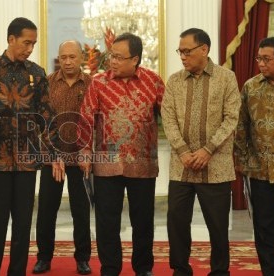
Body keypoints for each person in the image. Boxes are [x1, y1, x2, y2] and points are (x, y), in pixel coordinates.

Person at [0, 17, 62, 276]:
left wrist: (54, 154)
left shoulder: (37, 73)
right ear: (11, 39)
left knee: (22, 225)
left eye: (33, 44)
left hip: (27, 161)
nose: (29, 49)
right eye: (25, 43)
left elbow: (46, 115)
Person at [77, 32, 165, 276]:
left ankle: (143, 268)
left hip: (142, 163)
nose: (112, 61)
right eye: (111, 56)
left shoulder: (154, 82)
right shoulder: (99, 82)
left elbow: (170, 117)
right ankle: (110, 268)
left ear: (134, 59)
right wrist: (85, 151)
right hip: (107, 163)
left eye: (118, 57)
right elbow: (85, 119)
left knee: (143, 220)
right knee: (107, 221)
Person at [161, 28, 240, 276]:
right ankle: (181, 269)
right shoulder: (174, 80)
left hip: (216, 166)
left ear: (203, 50)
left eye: (187, 51)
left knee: (217, 225)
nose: (182, 57)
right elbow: (168, 118)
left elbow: (231, 118)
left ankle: (219, 270)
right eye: (180, 52)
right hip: (181, 166)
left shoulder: (227, 78)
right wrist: (184, 151)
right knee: (176, 222)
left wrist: (208, 150)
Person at [234, 36, 274, 276]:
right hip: (259, 168)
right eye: (259, 58)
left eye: (267, 59)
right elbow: (241, 126)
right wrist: (241, 160)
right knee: (264, 228)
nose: (261, 63)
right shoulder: (250, 87)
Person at [32, 40, 92, 275]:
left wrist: (87, 151)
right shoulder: (47, 83)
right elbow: (40, 120)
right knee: (47, 209)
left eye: (72, 57)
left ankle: (82, 259)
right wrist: (53, 153)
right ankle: (43, 258)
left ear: (81, 58)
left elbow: (94, 120)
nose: (67, 62)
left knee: (81, 209)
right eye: (63, 57)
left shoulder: (91, 83)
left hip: (80, 159)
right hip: (51, 158)